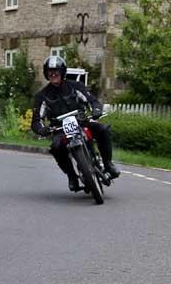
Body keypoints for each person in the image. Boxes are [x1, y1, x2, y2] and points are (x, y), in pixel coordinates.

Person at [31, 55, 120, 192]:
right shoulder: (42, 96)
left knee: (103, 129)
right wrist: (42, 129)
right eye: (50, 71)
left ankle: (108, 164)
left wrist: (96, 109)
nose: (53, 74)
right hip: (60, 129)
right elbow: (37, 120)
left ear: (62, 72)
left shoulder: (75, 86)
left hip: (82, 122)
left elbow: (91, 100)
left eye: (56, 71)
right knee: (56, 147)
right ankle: (71, 176)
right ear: (46, 73)